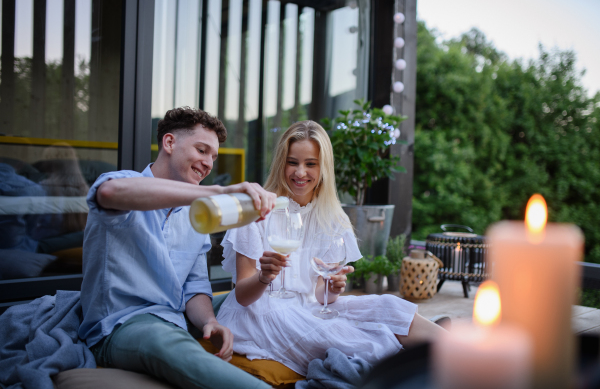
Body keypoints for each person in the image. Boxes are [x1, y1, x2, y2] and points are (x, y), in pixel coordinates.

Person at [216, 120, 446, 376]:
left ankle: (462, 352)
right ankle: (419, 368)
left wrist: (331, 287)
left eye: (310, 164)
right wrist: (263, 277)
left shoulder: (332, 219)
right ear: (282, 162)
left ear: (323, 167)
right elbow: (242, 296)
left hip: (307, 307)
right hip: (260, 312)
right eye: (293, 162)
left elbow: (319, 296)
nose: (300, 172)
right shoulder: (255, 210)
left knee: (389, 307)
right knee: (356, 340)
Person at [78, 107, 276, 389]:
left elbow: (194, 287)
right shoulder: (123, 182)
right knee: (163, 339)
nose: (208, 163)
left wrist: (210, 321)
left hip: (175, 316)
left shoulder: (197, 216)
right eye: (201, 150)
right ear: (169, 143)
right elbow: (110, 193)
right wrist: (220, 192)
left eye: (213, 157)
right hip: (121, 326)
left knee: (255, 302)